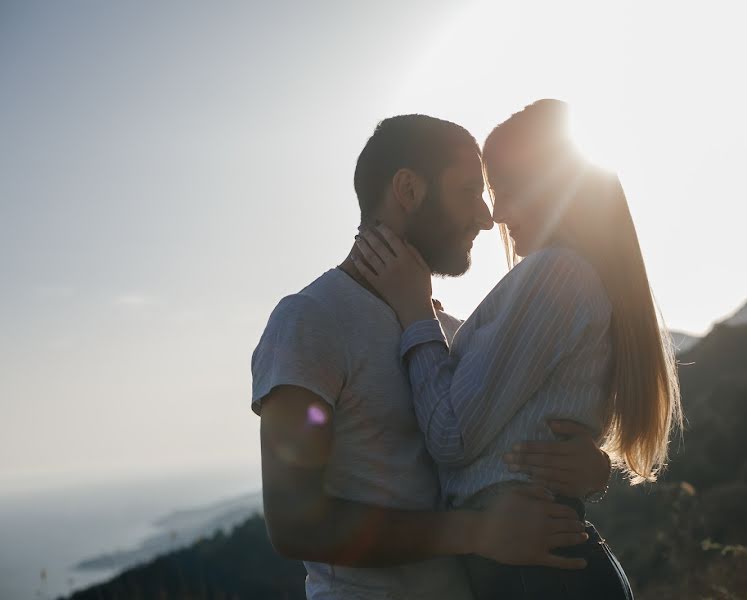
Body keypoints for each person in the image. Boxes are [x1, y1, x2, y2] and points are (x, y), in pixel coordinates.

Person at [251, 113, 614, 599]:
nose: (488, 217)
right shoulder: (310, 320)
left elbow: (493, 449)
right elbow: (295, 524)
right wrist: (475, 532)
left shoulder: (438, 331)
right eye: (469, 190)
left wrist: (591, 468)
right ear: (408, 189)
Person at [352, 99, 683, 599]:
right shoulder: (569, 277)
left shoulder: (558, 273)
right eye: (488, 193)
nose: (497, 214)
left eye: (506, 190)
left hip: (537, 577)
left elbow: (451, 433)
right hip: (539, 571)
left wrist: (415, 312)